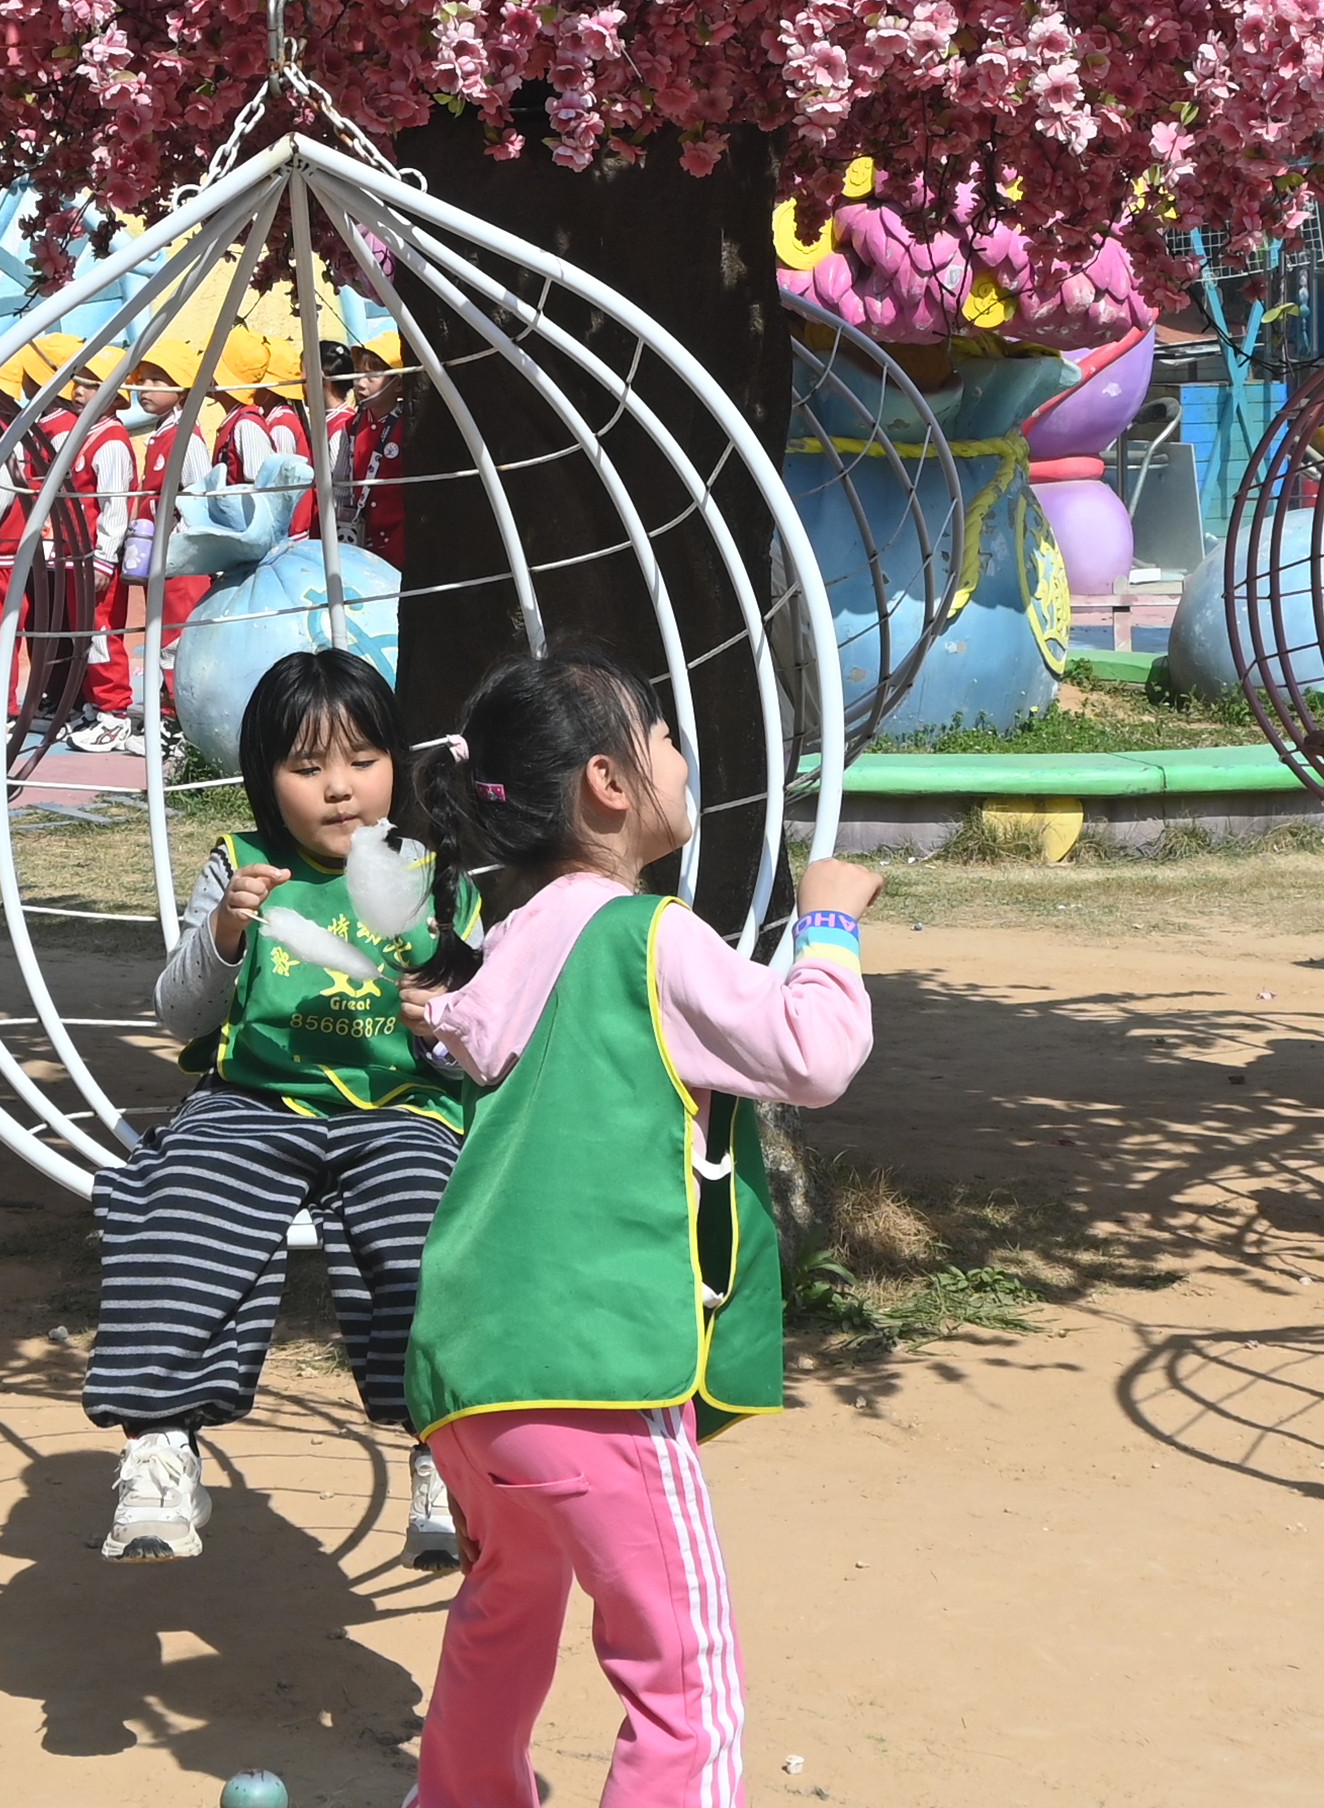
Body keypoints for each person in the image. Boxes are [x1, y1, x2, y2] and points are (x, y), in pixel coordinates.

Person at [396, 649, 880, 1808]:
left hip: (471, 1373)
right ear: (610, 783)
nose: (681, 753)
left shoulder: (513, 940)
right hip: (596, 1367)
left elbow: (460, 1024)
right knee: (682, 1665)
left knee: (503, 1608)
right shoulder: (650, 934)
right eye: (662, 736)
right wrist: (828, 924)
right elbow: (812, 1057)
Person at [89, 650, 478, 1569]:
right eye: (308, 769)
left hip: (398, 1106)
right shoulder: (243, 869)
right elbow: (179, 1014)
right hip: (254, 1101)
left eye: (363, 761)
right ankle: (159, 1441)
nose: (340, 789)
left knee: (433, 1226)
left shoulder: (435, 879)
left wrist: (445, 1015)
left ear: (397, 763)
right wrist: (224, 933)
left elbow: (485, 1029)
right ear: (266, 779)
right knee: (176, 1203)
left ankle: (445, 1446)